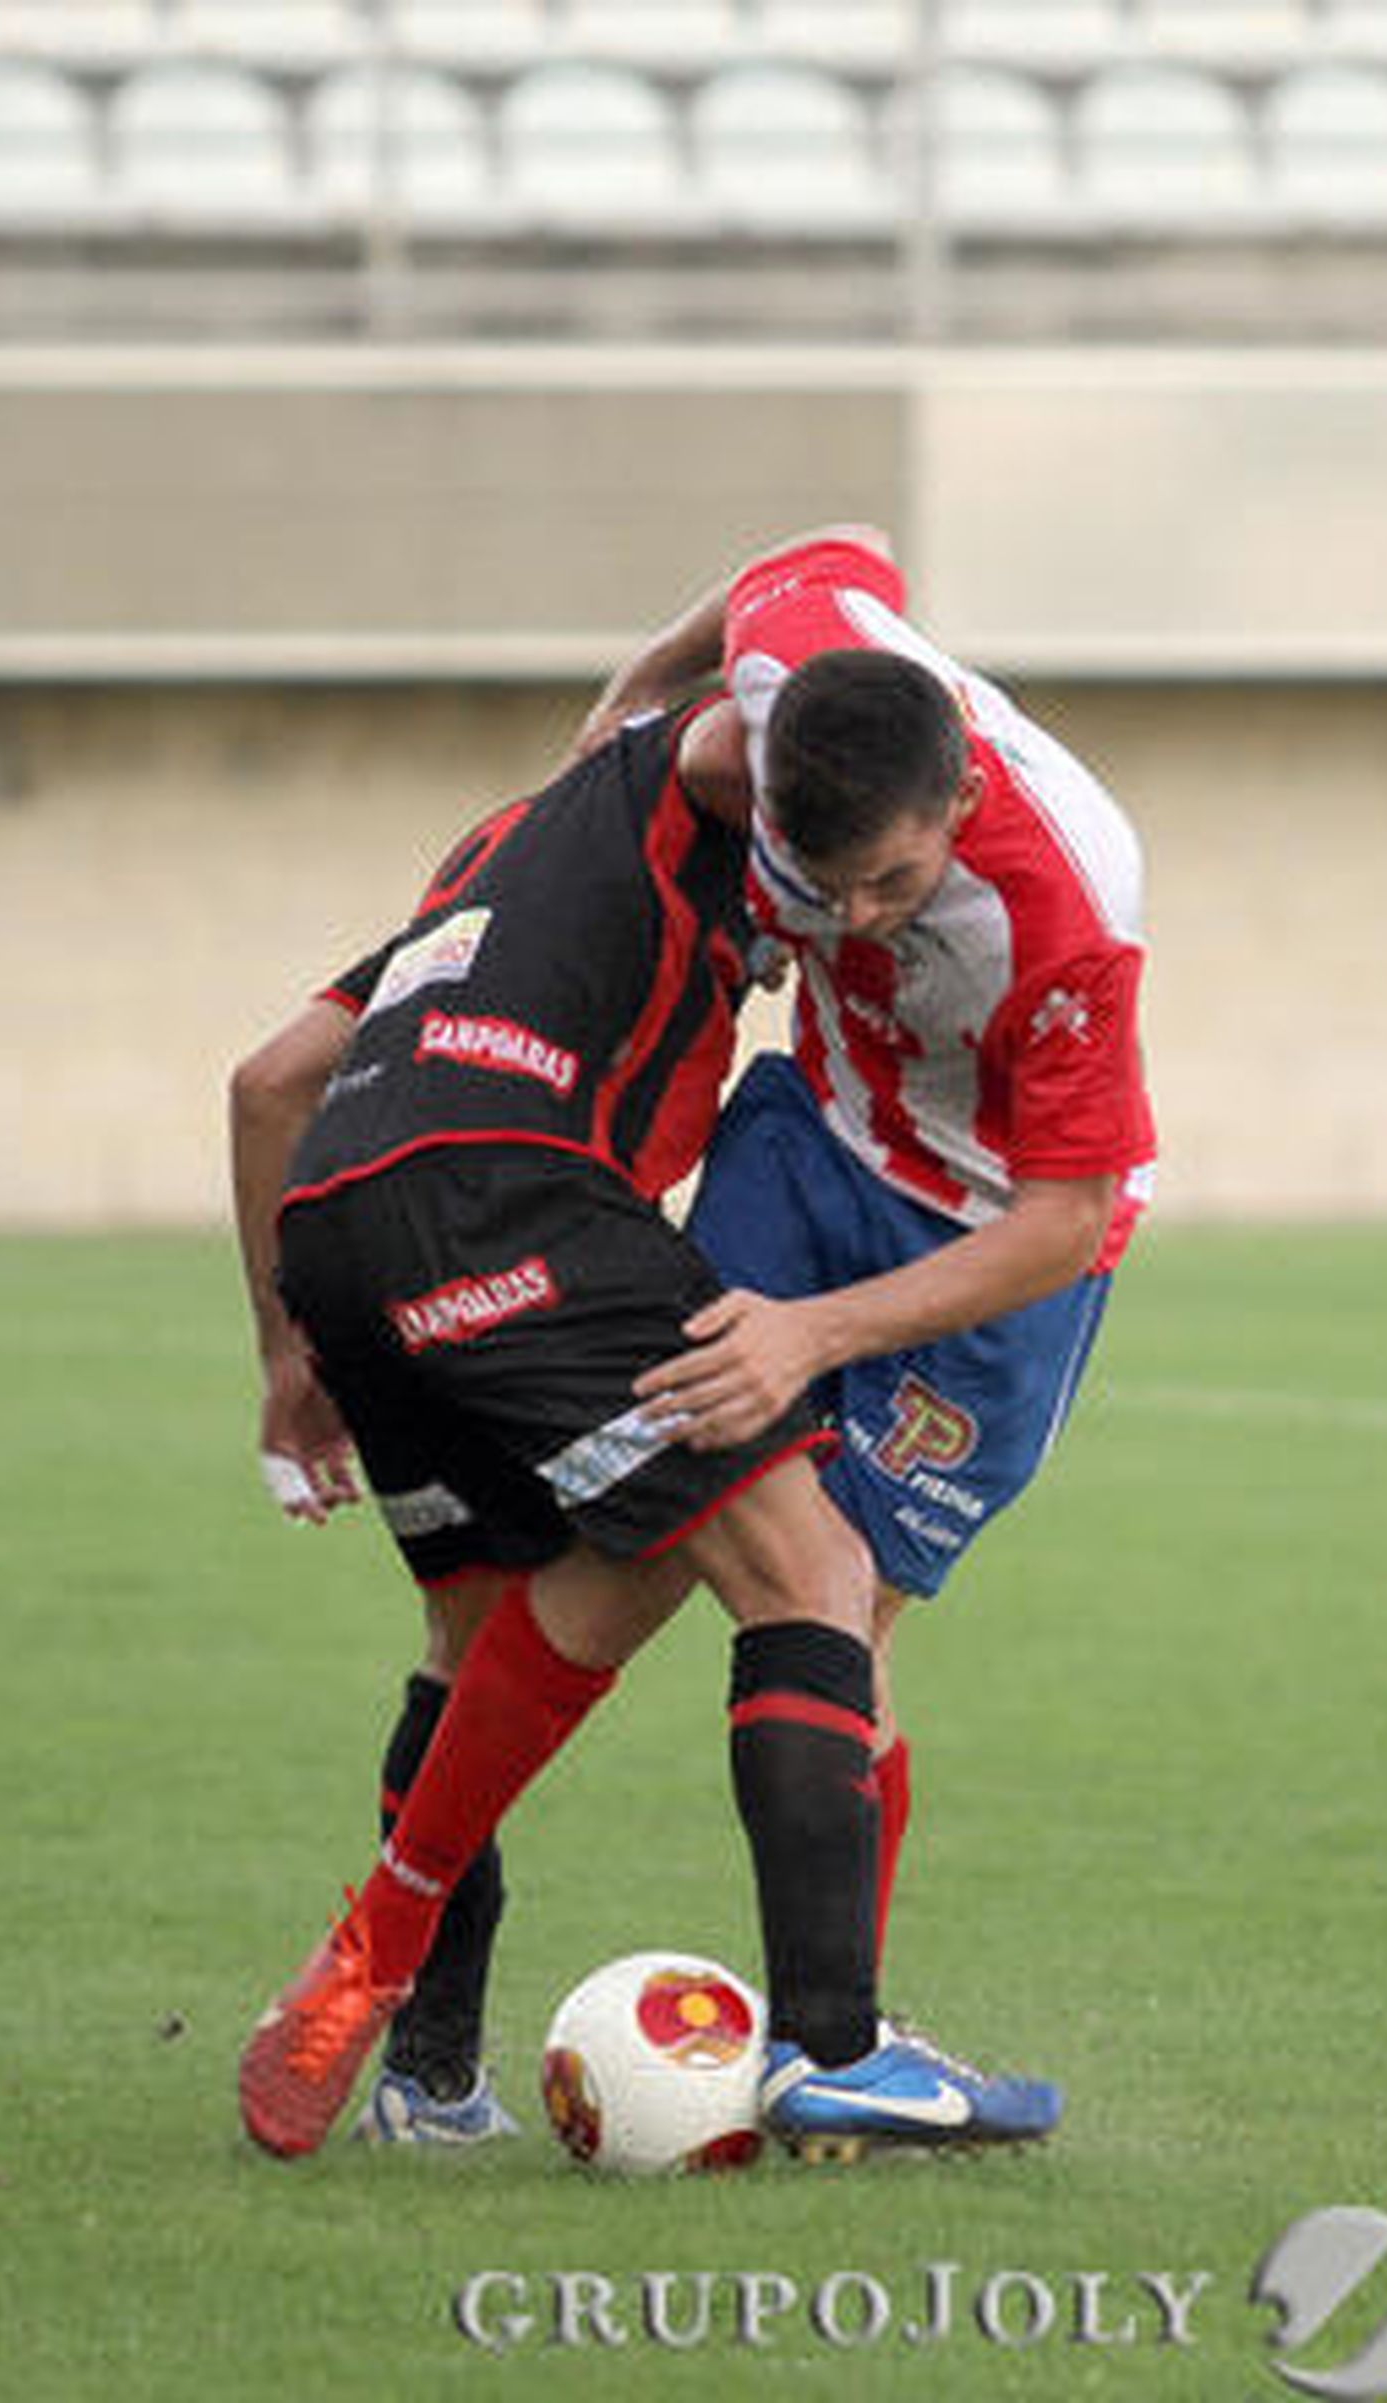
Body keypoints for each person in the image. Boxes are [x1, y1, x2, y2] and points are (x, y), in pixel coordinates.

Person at [229, 637, 1061, 2164]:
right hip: (517, 1198)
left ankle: (424, 2072)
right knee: (811, 1572)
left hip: (341, 1234)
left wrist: (290, 1357)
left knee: (479, 1637)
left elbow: (269, 1081)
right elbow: (827, 557)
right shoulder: (708, 798)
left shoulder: (500, 856)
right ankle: (837, 2050)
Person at [588, 526, 1158, 1968]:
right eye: (821, 876)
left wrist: (810, 1336)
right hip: (812, 1143)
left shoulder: (1072, 914)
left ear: (960, 801)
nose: (850, 918)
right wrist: (637, 686)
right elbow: (832, 551)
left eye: (892, 886)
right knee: (634, 1518)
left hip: (989, 1236)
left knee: (834, 1604)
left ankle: (838, 2028)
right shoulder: (793, 665)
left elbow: (1063, 1222)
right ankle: (402, 1944)